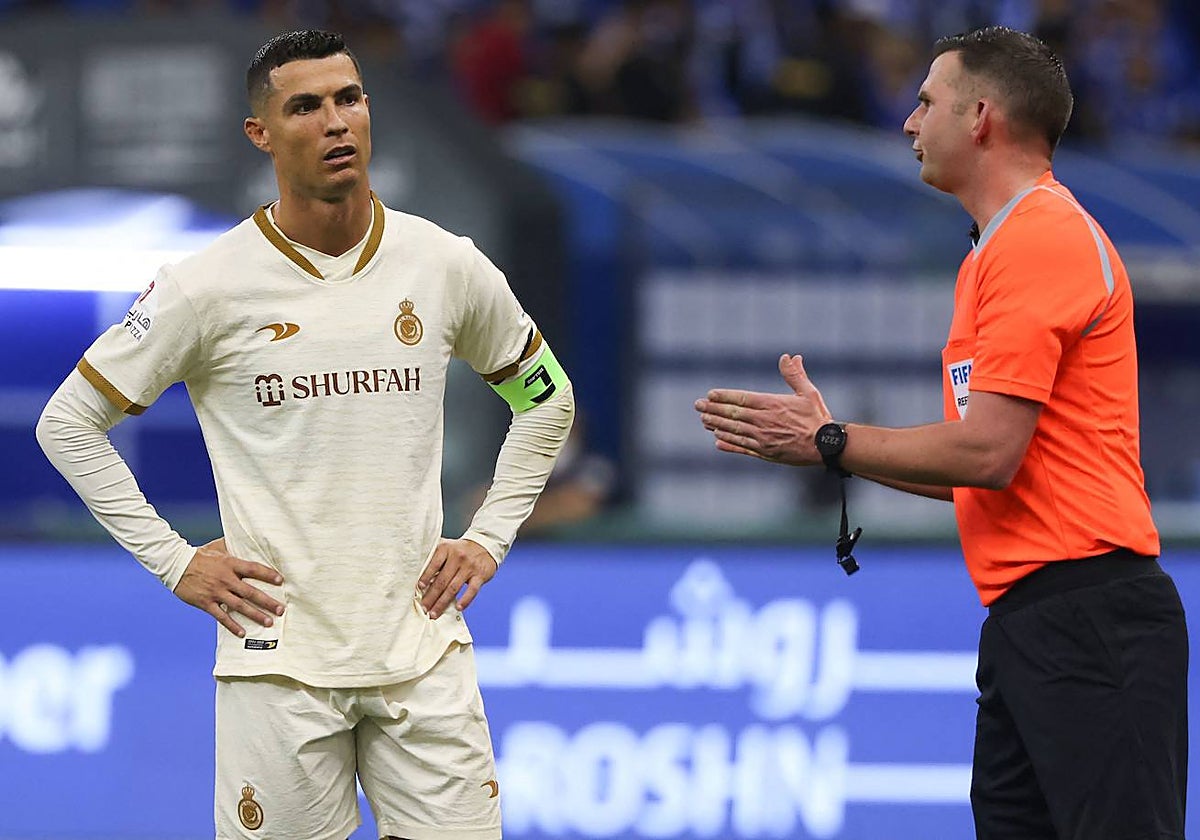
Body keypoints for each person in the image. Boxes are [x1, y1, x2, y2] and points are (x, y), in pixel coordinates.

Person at [37, 29, 574, 840]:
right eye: (306, 107)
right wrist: (175, 560)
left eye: (349, 99)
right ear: (261, 134)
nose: (335, 122)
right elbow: (69, 423)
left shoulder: (444, 264)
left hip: (422, 657)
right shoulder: (205, 286)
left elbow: (547, 400)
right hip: (279, 668)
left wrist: (489, 537)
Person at [695, 25, 1187, 840]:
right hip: (1038, 623)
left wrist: (833, 442)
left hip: (1089, 617)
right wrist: (829, 440)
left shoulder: (1040, 239)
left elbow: (988, 454)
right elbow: (984, 460)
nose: (908, 122)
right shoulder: (996, 251)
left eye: (926, 101)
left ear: (981, 117)